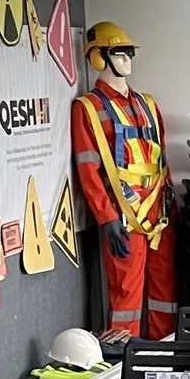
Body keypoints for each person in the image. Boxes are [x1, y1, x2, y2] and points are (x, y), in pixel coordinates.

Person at [69, 21, 175, 343]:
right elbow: (88, 169)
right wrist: (107, 217)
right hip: (124, 216)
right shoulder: (88, 108)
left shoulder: (148, 104)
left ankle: (166, 355)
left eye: (129, 51)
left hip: (159, 213)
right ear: (99, 57)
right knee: (126, 294)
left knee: (165, 291)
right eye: (119, 51)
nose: (127, 58)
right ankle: (123, 365)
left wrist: (168, 196)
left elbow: (160, 156)